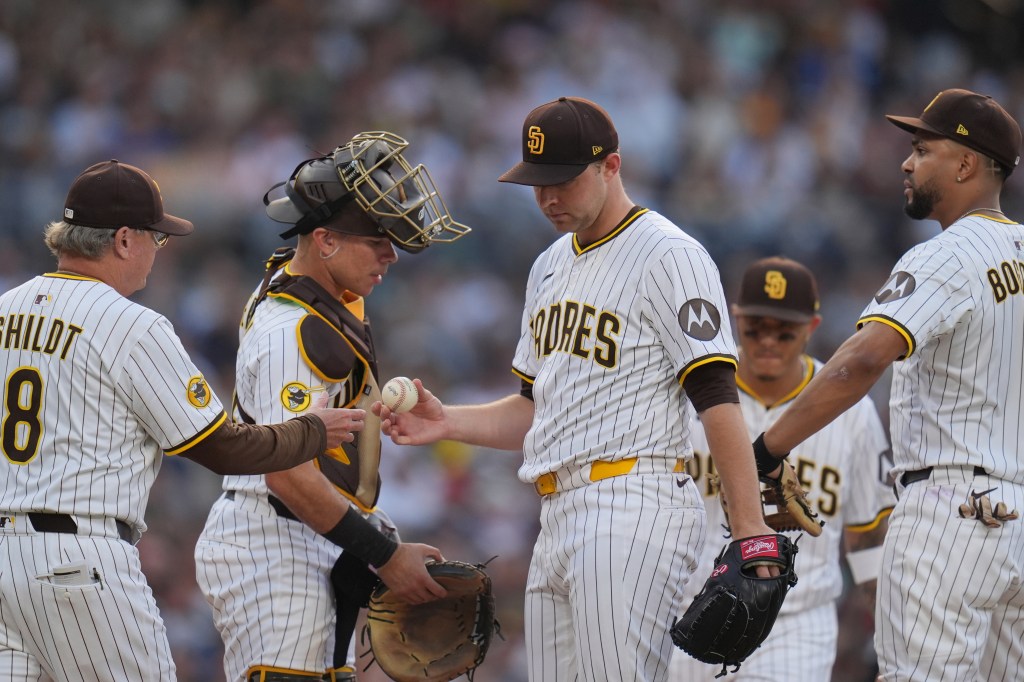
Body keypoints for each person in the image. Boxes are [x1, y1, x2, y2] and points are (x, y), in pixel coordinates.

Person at [376, 96, 778, 681]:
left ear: (610, 166)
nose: (548, 197)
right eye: (536, 183)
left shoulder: (671, 255)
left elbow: (716, 393)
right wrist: (449, 422)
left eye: (562, 180)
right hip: (558, 512)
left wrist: (750, 528)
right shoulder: (548, 266)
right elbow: (534, 410)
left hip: (633, 503)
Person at [0, 159, 363, 681]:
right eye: (156, 238)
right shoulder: (129, 323)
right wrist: (313, 431)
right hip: (79, 561)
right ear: (124, 239)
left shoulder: (7, 308)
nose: (157, 251)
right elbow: (220, 448)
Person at [753, 88, 1024, 681]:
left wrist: (768, 448)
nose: (907, 162)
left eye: (924, 149)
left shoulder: (948, 254)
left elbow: (860, 361)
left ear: (965, 164)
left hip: (950, 512)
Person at [194, 131, 471, 682]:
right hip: (272, 545)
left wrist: (381, 538)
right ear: (324, 241)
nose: (391, 254)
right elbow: (289, 479)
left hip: (310, 536)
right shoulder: (289, 332)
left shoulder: (318, 287)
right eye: (378, 239)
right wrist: (386, 557)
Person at [669, 256, 895, 681]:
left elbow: (867, 538)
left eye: (784, 331)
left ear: (811, 328)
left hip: (796, 624)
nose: (768, 341)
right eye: (755, 328)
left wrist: (892, 639)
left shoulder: (853, 414)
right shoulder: (689, 395)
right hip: (691, 613)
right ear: (734, 320)